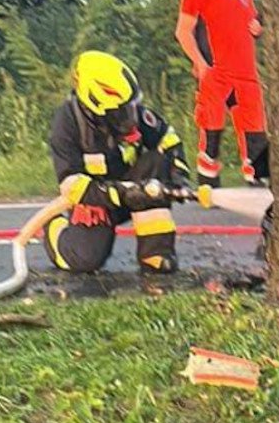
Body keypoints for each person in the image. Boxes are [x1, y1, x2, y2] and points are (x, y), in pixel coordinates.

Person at [45, 51, 192, 274]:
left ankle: (155, 252)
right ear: (95, 106)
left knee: (156, 161)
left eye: (131, 107)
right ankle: (54, 231)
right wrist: (118, 193)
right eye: (121, 112)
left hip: (134, 188)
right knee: (85, 260)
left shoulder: (133, 113)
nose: (131, 117)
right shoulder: (67, 125)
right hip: (96, 199)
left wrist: (178, 174)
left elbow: (168, 139)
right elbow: (70, 185)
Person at [175, 0, 268, 187]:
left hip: (246, 75)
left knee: (255, 131)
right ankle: (209, 185)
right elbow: (183, 31)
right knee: (212, 129)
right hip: (216, 73)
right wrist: (200, 63)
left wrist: (257, 28)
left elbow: (252, 27)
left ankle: (256, 184)